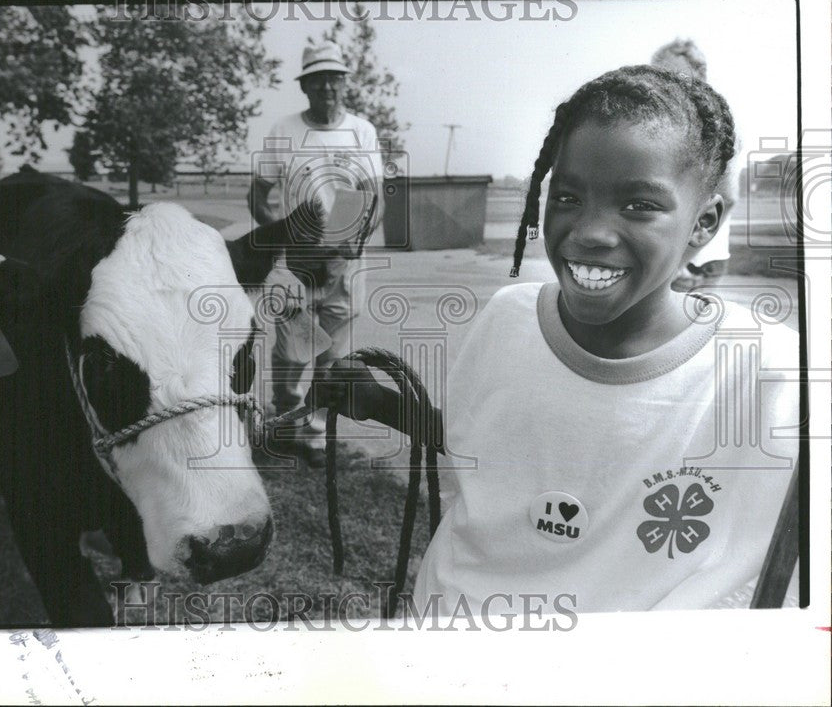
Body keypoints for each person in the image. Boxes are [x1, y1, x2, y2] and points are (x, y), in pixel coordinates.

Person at [309, 65, 798, 615]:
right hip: (456, 627)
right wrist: (381, 405)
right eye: (567, 197)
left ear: (704, 223)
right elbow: (491, 446)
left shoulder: (765, 365)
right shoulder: (509, 318)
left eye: (639, 204)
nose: (589, 231)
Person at [250, 40, 383, 467]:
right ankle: (285, 427)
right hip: (298, 262)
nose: (327, 86)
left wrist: (349, 246)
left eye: (334, 78)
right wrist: (287, 240)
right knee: (290, 354)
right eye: (317, 79)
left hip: (344, 262)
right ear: (305, 86)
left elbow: (373, 196)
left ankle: (316, 435)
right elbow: (259, 195)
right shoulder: (284, 130)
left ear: (344, 83)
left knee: (331, 360)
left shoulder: (362, 130)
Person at [650, 38, 738, 290]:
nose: (665, 83)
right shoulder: (671, 120)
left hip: (694, 263)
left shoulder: (714, 122)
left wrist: (679, 262)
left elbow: (726, 197)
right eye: (659, 75)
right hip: (673, 259)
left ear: (700, 75)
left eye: (674, 74)